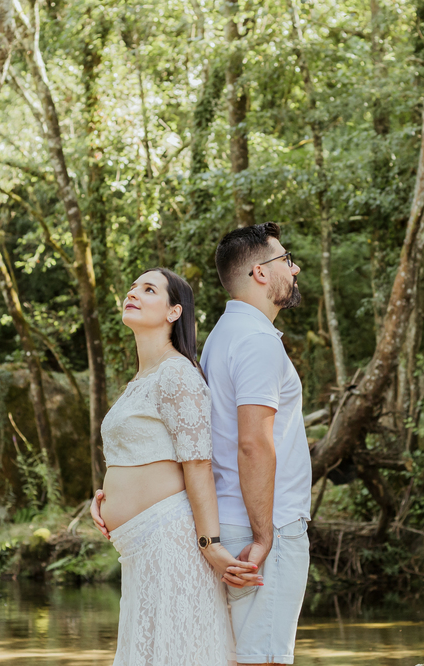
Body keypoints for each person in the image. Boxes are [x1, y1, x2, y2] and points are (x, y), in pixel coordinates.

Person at [90, 267, 260, 666]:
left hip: (171, 543)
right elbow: (135, 455)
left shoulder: (178, 373)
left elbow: (198, 463)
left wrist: (210, 544)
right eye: (132, 287)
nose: (133, 293)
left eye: (149, 290)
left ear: (173, 312)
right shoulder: (141, 379)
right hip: (137, 547)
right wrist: (103, 498)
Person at [202, 222, 313, 666]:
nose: (296, 267)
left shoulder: (220, 338)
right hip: (264, 528)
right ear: (261, 273)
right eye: (287, 259)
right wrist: (266, 535)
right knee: (264, 660)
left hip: (229, 522)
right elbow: (253, 443)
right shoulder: (257, 342)